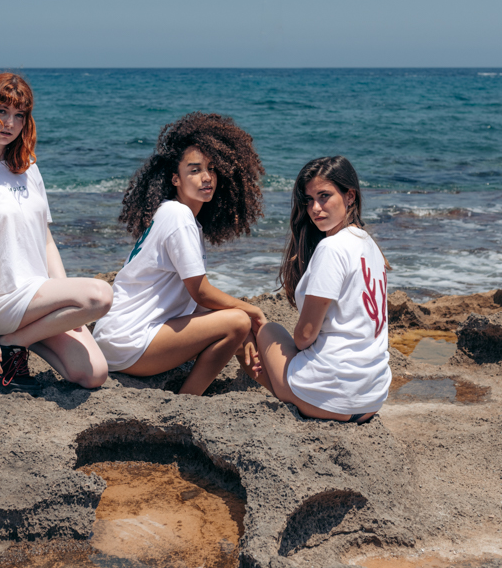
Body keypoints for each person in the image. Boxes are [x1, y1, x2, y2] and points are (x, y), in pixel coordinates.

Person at [0, 72, 110, 390]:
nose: (9, 123)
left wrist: (67, 303)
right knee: (100, 295)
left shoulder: (29, 168)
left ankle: (16, 342)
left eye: (19, 115)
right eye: (1, 111)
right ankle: (9, 339)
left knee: (94, 374)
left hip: (36, 300)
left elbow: (46, 241)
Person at [92, 112, 267, 395]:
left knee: (239, 329)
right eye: (194, 170)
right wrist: (251, 310)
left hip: (117, 338)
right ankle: (189, 399)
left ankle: (265, 386)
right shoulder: (178, 216)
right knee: (237, 321)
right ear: (176, 178)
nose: (207, 178)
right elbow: (201, 293)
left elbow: (194, 301)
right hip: (128, 340)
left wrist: (244, 332)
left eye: (211, 169)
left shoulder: (176, 215)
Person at [251, 156, 391, 422]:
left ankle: (289, 401)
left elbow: (305, 336)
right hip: (372, 398)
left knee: (267, 330)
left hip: (331, 396)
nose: (315, 208)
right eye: (309, 200)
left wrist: (289, 349)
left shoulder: (331, 247)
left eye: (324, 196)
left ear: (350, 196)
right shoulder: (370, 245)